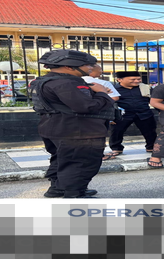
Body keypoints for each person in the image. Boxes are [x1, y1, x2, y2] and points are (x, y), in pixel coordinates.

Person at [29, 50, 116, 198]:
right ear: (69, 67)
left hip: (55, 128)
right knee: (81, 163)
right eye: (87, 65)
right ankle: (74, 193)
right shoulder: (66, 83)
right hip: (78, 132)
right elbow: (86, 106)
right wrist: (102, 93)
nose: (91, 67)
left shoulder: (44, 81)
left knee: (61, 160)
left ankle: (57, 189)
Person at [104, 71, 159, 166]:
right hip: (123, 115)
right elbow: (108, 103)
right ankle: (116, 148)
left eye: (138, 79)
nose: (137, 81)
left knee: (150, 131)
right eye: (133, 79)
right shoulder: (113, 89)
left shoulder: (145, 88)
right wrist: (110, 118)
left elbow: (154, 100)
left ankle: (151, 147)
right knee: (117, 131)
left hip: (144, 113)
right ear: (119, 80)